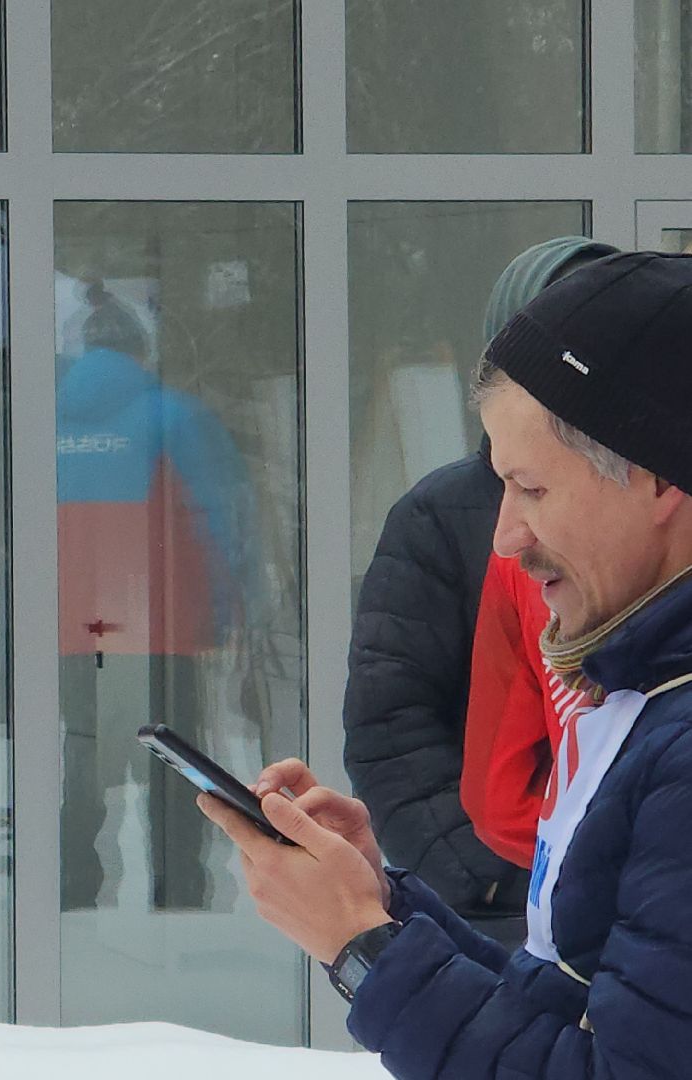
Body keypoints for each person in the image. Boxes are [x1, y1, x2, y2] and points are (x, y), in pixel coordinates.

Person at [205, 252, 692, 1074]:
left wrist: (364, 946)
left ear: (655, 480)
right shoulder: (649, 694)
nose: (505, 537)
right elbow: (574, 1008)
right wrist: (384, 910)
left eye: (530, 489)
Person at [343, 237, 616, 942]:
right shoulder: (443, 515)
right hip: (510, 900)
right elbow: (391, 725)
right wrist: (488, 876)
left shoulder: (656, 503)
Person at [55, 283, 261, 911]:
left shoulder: (43, 424)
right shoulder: (175, 415)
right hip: (166, 625)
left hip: (71, 628)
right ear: (142, 352)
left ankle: (75, 898)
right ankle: (182, 900)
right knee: (178, 761)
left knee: (82, 759)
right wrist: (233, 610)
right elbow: (217, 520)